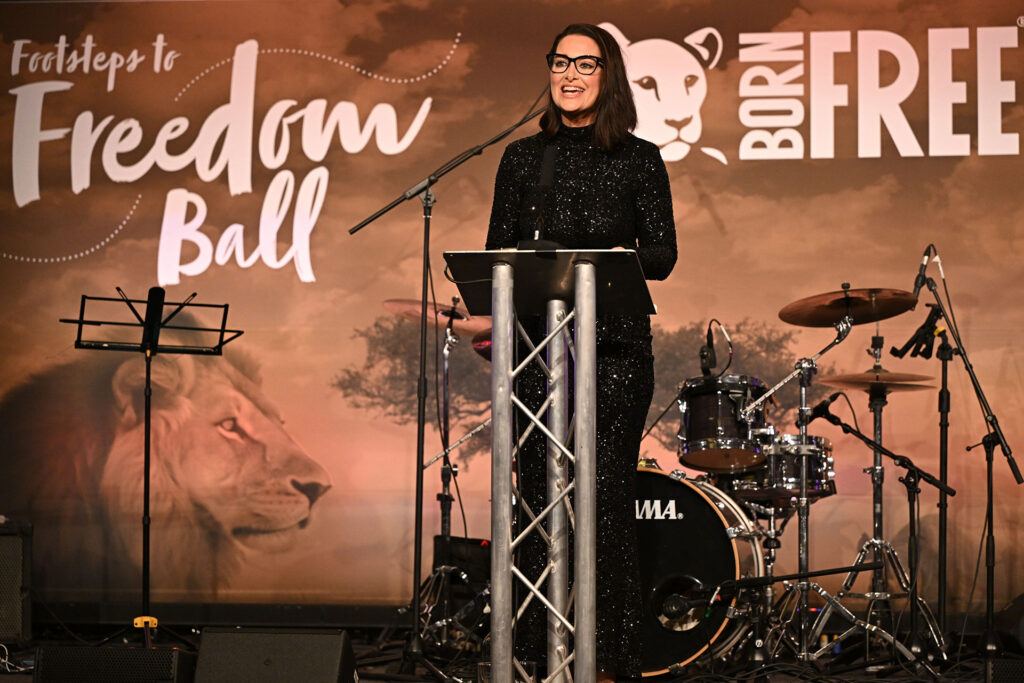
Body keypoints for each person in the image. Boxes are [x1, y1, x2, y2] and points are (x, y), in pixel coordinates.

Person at [485, 23, 677, 682]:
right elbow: (497, 252)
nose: (568, 73)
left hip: (616, 352)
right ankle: (537, 657)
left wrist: (606, 259)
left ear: (608, 75)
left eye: (584, 63)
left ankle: (610, 662)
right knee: (538, 499)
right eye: (559, 61)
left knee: (603, 501)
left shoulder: (639, 158)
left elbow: (662, 254)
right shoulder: (520, 159)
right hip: (538, 353)